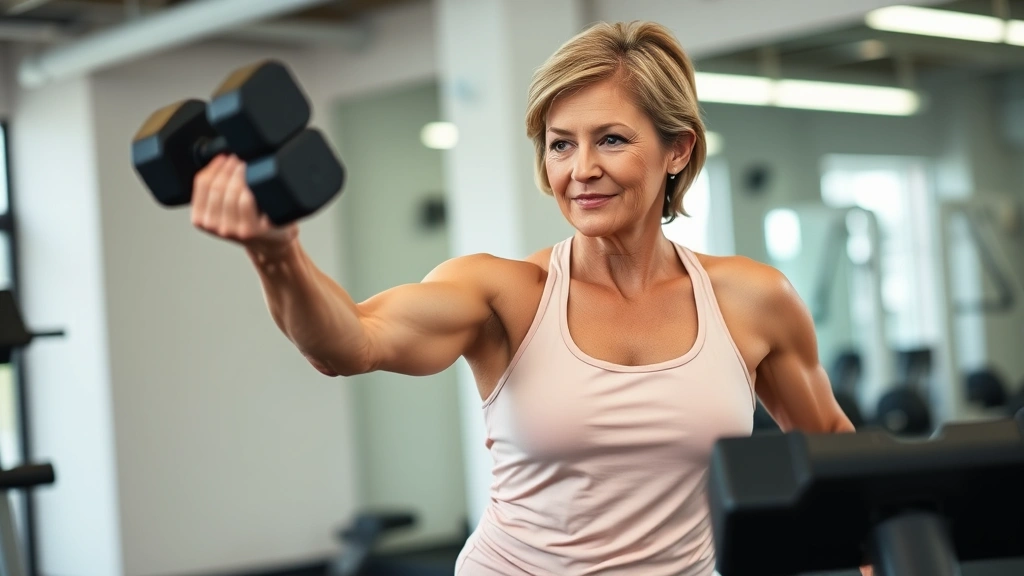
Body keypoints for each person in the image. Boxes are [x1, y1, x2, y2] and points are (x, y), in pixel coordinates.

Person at [191, 20, 863, 576]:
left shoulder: (750, 297)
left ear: (678, 149)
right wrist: (276, 252)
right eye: (559, 144)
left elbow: (828, 443)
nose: (581, 169)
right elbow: (351, 341)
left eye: (612, 139)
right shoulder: (505, 293)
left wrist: (874, 554)